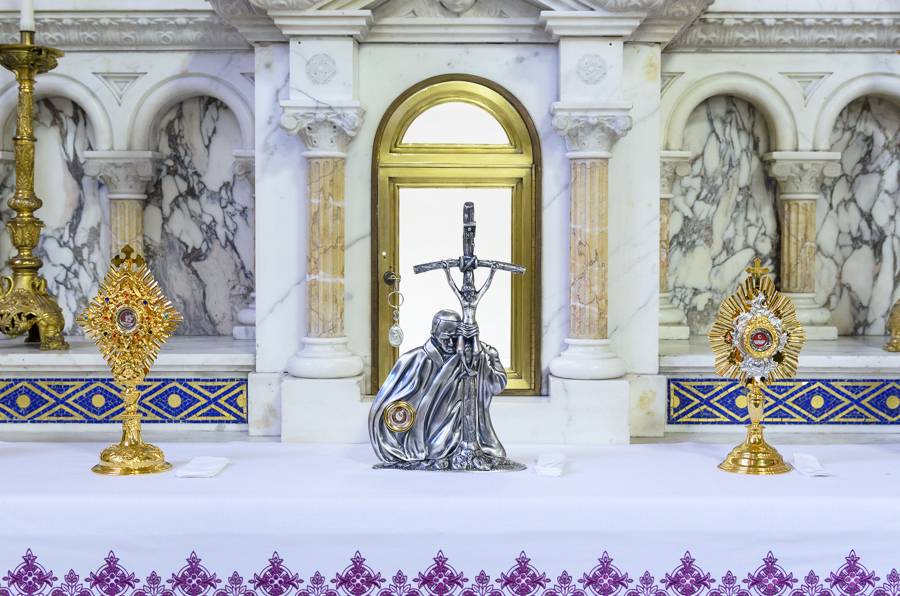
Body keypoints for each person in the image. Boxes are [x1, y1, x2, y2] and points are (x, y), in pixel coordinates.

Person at [369, 309, 510, 470]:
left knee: (497, 454)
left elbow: (497, 385)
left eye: (454, 338)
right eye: (445, 338)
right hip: (427, 439)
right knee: (434, 449)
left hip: (468, 438)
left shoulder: (472, 356)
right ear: (434, 333)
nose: (450, 343)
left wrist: (493, 357)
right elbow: (387, 405)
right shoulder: (413, 360)